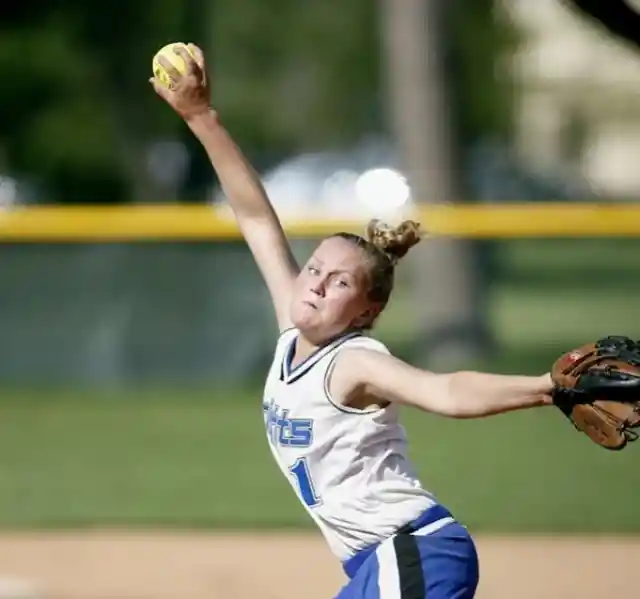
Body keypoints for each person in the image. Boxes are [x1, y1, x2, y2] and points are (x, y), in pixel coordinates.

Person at [150, 44, 554, 599]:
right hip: (377, 564)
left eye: (338, 281)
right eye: (314, 268)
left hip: (416, 550)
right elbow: (253, 216)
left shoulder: (355, 363)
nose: (314, 281)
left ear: (368, 312)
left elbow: (446, 392)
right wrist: (200, 117)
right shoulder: (294, 333)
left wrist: (548, 389)